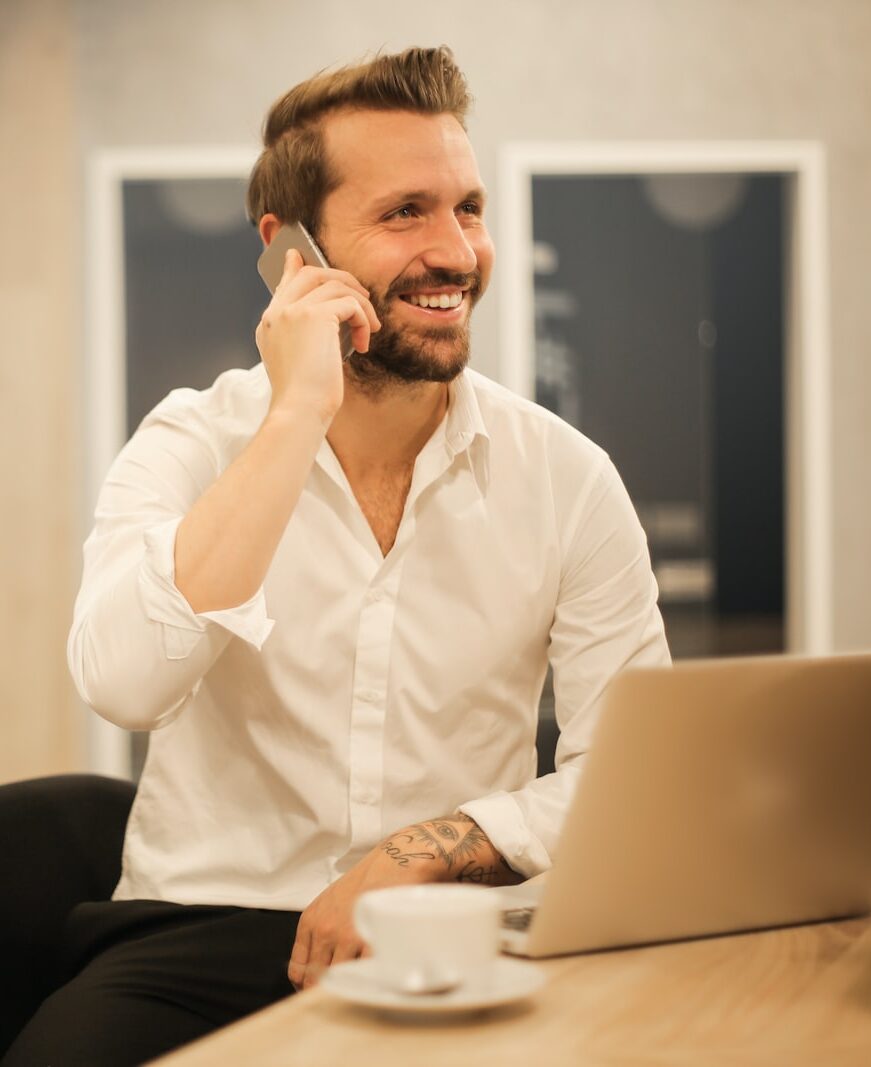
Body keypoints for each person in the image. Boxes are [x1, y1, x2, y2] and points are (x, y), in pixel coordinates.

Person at [3, 46, 669, 1066]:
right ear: (292, 251)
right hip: (196, 931)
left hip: (454, 930)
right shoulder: (191, 441)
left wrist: (420, 850)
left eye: (469, 208)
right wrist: (295, 413)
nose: (457, 251)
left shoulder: (567, 479)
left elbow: (628, 774)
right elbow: (125, 682)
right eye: (406, 212)